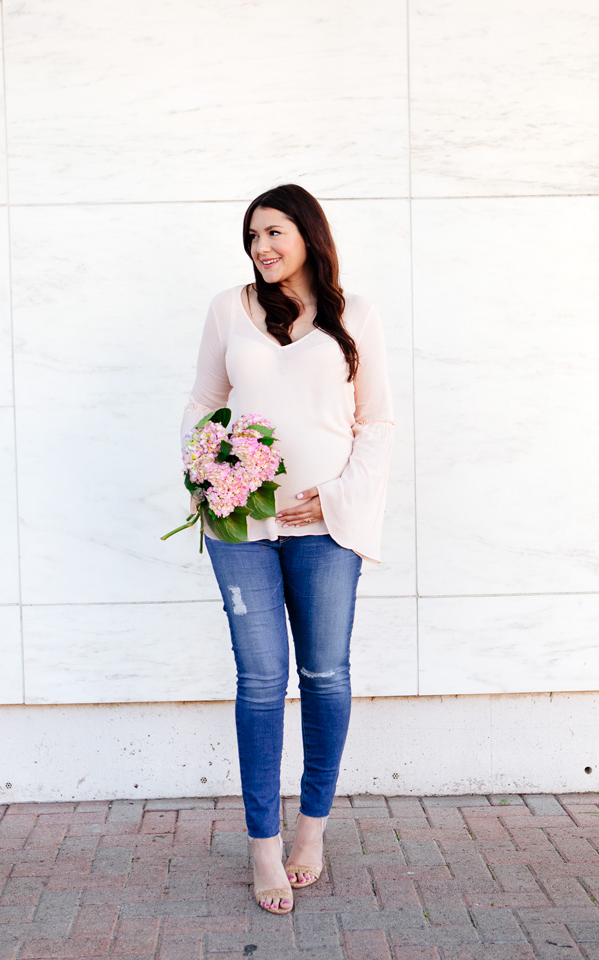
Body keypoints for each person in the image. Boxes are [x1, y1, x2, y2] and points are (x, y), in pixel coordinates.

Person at [180, 184, 395, 914]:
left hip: (327, 529)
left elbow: (377, 425)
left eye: (273, 232)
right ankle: (263, 847)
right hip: (242, 527)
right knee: (262, 678)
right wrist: (207, 473)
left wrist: (336, 498)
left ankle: (312, 830)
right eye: (251, 237)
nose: (261, 248)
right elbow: (205, 405)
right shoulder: (228, 308)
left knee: (327, 674)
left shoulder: (353, 314)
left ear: (307, 232)